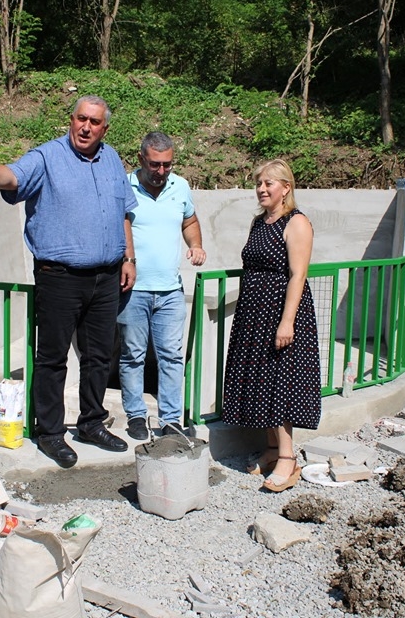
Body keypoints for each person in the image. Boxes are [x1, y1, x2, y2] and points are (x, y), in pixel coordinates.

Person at [0, 95, 137, 468]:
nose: (85, 127)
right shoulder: (47, 157)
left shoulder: (112, 159)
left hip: (106, 276)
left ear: (105, 128)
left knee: (99, 356)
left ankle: (91, 423)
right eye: (81, 118)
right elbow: (13, 175)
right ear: (71, 119)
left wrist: (129, 258)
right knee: (53, 358)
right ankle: (51, 432)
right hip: (60, 277)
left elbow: (123, 212)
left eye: (94, 122)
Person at [221, 159, 322, 493]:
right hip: (254, 313)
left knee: (281, 383)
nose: (261, 189)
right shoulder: (259, 222)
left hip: (281, 312)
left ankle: (288, 457)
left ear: (286, 188)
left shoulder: (297, 222)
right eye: (258, 183)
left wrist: (287, 322)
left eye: (268, 184)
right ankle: (271, 449)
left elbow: (298, 275)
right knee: (261, 379)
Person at [118, 132, 206, 440]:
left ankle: (170, 420)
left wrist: (196, 245)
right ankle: (136, 415)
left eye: (167, 164)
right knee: (133, 355)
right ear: (141, 159)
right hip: (133, 290)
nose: (161, 171)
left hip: (170, 291)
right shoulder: (124, 186)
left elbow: (189, 221)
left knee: (171, 356)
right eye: (155, 164)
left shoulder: (179, 186)